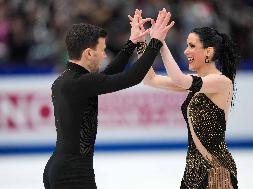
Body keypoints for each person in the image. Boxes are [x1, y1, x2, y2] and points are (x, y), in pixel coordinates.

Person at [43, 9, 174, 189]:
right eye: (102, 50)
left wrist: (132, 43)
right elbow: (132, 78)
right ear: (88, 53)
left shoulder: (66, 81)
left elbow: (107, 76)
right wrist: (155, 42)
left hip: (60, 168)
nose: (105, 55)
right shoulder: (80, 83)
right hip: (73, 173)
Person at [142, 25, 240, 188]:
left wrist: (162, 44)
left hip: (217, 173)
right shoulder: (196, 83)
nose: (186, 51)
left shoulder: (222, 82)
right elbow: (150, 79)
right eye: (187, 45)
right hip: (192, 173)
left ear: (208, 52)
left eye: (192, 46)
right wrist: (141, 43)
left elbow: (180, 79)